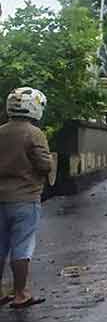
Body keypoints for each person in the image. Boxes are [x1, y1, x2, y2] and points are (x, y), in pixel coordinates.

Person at [0, 87, 52, 309]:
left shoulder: (1, 131)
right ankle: (21, 293)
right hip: (24, 198)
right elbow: (44, 165)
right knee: (21, 246)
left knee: (1, 246)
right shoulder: (33, 133)